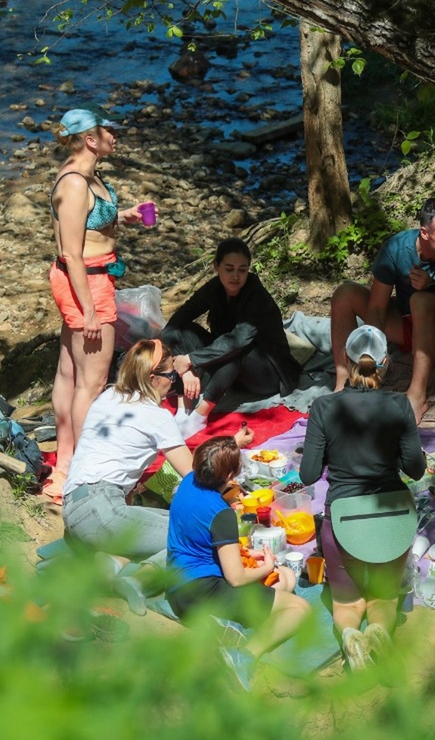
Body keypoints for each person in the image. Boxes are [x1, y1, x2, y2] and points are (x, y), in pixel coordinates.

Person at [62, 339, 253, 612]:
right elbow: (196, 475)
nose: (173, 381)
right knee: (193, 534)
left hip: (74, 509)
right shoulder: (154, 415)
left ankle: (109, 565)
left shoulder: (108, 396)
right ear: (152, 378)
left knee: (174, 519)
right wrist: (230, 456)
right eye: (170, 376)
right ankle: (140, 582)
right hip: (101, 509)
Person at [299, 325, 426, 673]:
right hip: (393, 514)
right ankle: (381, 632)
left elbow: (308, 475)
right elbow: (416, 469)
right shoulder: (400, 404)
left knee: (348, 601)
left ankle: (352, 635)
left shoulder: (324, 407)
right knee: (384, 597)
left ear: (345, 359)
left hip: (343, 517)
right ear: (385, 362)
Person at [47, 104, 156, 503]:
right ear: (91, 140)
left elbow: (92, 222)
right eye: (108, 130)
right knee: (90, 382)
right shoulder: (74, 183)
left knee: (69, 373)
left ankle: (65, 460)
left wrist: (122, 216)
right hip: (86, 283)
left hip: (91, 279)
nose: (115, 135)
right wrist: (89, 311)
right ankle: (81, 470)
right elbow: (72, 253)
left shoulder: (91, 177)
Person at [166, 436, 312, 692]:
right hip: (203, 592)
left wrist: (242, 552)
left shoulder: (188, 481)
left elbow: (204, 541)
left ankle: (227, 624)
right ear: (231, 475)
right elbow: (235, 578)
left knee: (282, 582)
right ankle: (244, 656)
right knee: (298, 606)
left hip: (176, 585)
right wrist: (266, 567)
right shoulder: (220, 512)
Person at [329, 197, 435, 423]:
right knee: (345, 293)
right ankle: (344, 382)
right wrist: (369, 360)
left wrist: (434, 286)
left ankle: (417, 395)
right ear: (424, 233)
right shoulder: (397, 249)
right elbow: (377, 308)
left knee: (420, 299)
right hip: (408, 326)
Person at [162, 238, 302, 433]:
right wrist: (186, 369)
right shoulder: (214, 288)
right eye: (229, 269)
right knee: (177, 332)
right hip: (228, 365)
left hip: (266, 372)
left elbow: (238, 341)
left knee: (234, 348)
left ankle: (200, 416)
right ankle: (184, 409)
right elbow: (176, 322)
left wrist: (192, 359)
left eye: (242, 270)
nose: (236, 276)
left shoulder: (256, 296)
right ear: (216, 266)